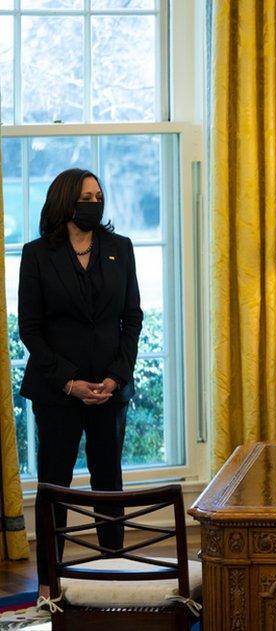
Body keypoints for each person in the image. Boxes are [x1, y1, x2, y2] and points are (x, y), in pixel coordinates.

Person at [18, 168, 143, 599]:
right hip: (57, 391)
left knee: (109, 480)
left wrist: (115, 377)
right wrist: (70, 381)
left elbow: (132, 319)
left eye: (99, 195)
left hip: (109, 390)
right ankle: (50, 584)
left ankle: (113, 573)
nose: (95, 201)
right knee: (55, 484)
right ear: (66, 202)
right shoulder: (37, 255)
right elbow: (30, 329)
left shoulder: (120, 249)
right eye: (87, 196)